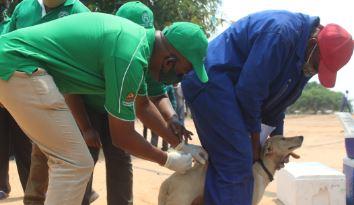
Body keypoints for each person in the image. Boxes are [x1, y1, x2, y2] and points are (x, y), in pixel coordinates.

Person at [0, 12, 208, 205]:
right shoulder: (130, 55)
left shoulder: (138, 46)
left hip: (14, 64)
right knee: (74, 164)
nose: (180, 79)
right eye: (184, 71)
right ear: (169, 62)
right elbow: (122, 136)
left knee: (74, 163)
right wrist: (168, 159)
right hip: (18, 66)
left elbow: (142, 105)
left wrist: (180, 146)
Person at [182, 10, 354, 205]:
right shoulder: (281, 35)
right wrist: (255, 143)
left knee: (238, 162)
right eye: (317, 66)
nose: (314, 72)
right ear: (314, 45)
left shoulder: (306, 55)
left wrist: (278, 144)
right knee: (238, 160)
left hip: (231, 92)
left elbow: (277, 105)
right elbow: (249, 92)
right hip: (211, 82)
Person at [7, 0, 98, 204]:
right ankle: (34, 199)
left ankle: (75, 196)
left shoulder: (78, 11)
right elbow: (8, 44)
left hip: (70, 94)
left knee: (66, 153)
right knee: (40, 149)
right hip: (30, 91)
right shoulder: (24, 8)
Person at [0, 0, 32, 200]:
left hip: (18, 93)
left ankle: (31, 189)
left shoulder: (14, 23)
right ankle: (2, 186)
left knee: (24, 144)